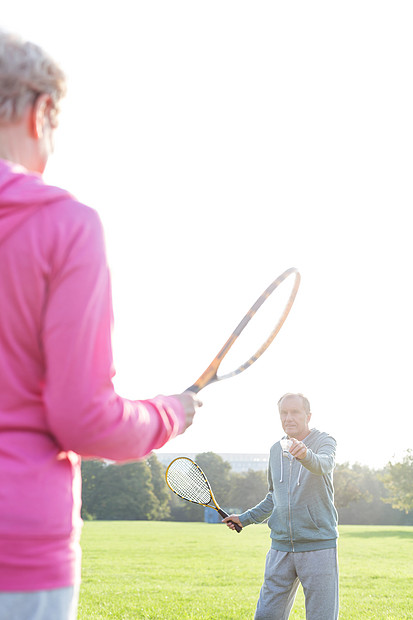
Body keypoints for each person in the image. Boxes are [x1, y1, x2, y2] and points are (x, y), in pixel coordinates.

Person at [0, 29, 201, 620]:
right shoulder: (65, 225)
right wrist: (169, 413)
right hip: (18, 554)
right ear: (40, 112)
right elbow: (83, 418)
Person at [224, 392, 339, 620]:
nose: (288, 418)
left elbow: (324, 465)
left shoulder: (325, 441)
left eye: (295, 412)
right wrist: (244, 519)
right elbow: (273, 497)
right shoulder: (275, 450)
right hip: (280, 548)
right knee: (266, 615)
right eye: (283, 413)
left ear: (308, 415)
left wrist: (306, 454)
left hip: (318, 546)